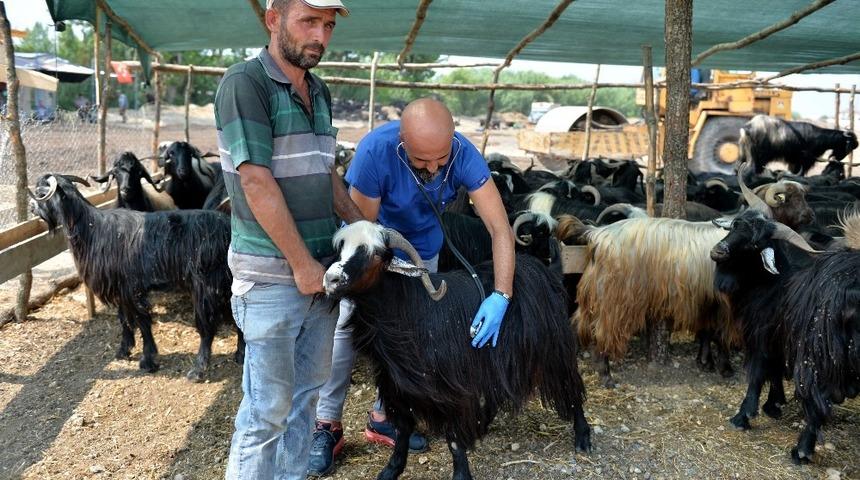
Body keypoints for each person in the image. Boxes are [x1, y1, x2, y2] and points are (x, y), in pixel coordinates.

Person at [308, 98, 516, 477]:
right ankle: (327, 424)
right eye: (423, 162)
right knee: (348, 330)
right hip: (376, 255)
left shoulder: (465, 155)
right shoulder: (375, 152)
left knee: (413, 339)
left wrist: (501, 295)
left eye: (442, 158)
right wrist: (368, 277)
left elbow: (500, 228)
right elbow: (361, 227)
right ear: (403, 144)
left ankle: (384, 416)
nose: (435, 168)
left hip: (424, 254)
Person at [214, 0, 360, 479]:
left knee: (306, 403)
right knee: (266, 414)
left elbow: (323, 171)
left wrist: (362, 228)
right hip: (275, 280)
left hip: (321, 278)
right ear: (273, 19)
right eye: (309, 21)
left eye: (328, 26)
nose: (320, 35)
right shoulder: (245, 83)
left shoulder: (318, 91)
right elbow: (255, 181)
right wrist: (302, 266)